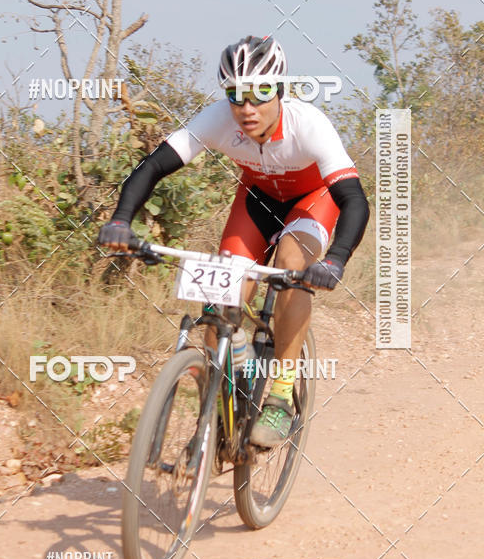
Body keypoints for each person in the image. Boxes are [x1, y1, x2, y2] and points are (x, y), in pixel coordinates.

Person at [98, 35, 369, 447]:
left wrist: (334, 260)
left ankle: (279, 398)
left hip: (311, 203)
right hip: (257, 203)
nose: (246, 108)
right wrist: (120, 221)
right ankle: (219, 408)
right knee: (221, 299)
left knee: (290, 265)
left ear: (279, 89)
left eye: (260, 94)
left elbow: (353, 200)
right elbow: (153, 167)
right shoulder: (218, 119)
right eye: (235, 95)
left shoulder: (309, 124)